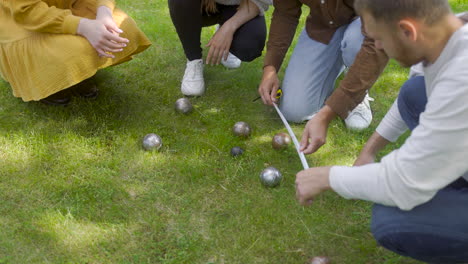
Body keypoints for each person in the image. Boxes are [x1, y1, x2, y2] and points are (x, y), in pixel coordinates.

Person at [295, 0, 468, 262]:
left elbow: (404, 183)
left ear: (407, 31)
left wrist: (327, 177)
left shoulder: (461, 78)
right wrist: (369, 151)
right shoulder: (448, 36)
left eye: (378, 39)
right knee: (414, 93)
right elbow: (407, 102)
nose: (376, 47)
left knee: (393, 220)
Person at [258, 0, 389, 155]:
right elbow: (285, 13)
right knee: (294, 110)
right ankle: (340, 70)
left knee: (355, 44)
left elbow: (377, 42)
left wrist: (329, 113)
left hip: (364, 27)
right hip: (323, 27)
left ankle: (359, 93)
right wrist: (270, 68)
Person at [0, 0, 151, 106]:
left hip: (71, 4)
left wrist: (104, 13)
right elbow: (27, 11)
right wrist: (83, 26)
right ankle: (53, 84)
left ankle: (78, 75)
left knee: (123, 28)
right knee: (71, 51)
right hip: (21, 20)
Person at [168, 0, 271, 96]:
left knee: (250, 44)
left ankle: (227, 39)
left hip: (238, 7)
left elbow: (260, 1)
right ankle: (193, 59)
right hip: (199, 6)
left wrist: (229, 27)